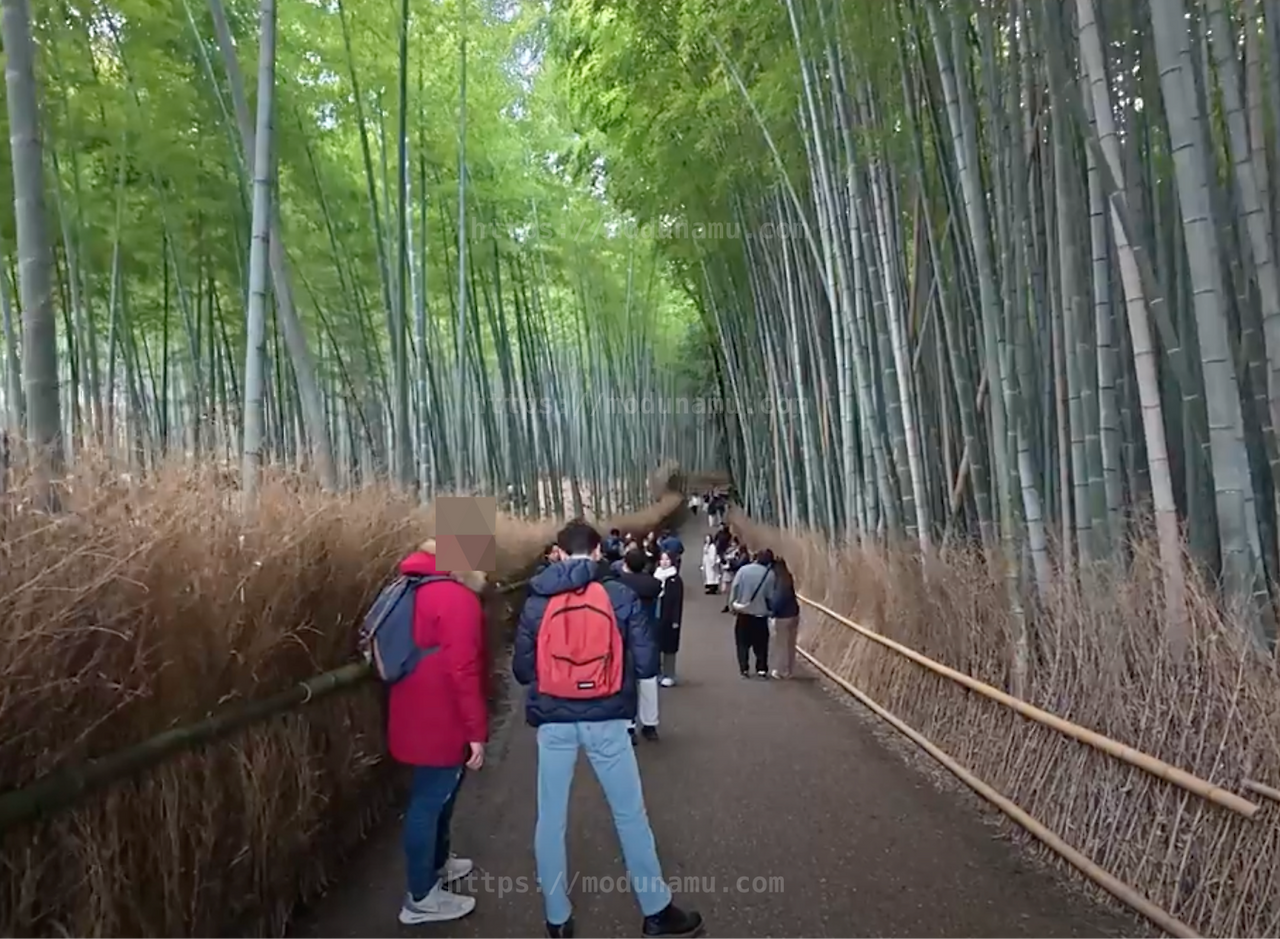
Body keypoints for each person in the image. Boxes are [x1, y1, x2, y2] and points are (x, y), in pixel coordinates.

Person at [512, 521, 705, 939]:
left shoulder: (536, 600)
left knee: (550, 819)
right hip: (609, 720)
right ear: (599, 551)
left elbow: (523, 670)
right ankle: (656, 912)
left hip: (554, 722)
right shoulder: (619, 595)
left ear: (559, 553)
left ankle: (557, 918)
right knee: (629, 815)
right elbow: (647, 663)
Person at [388, 539, 489, 924]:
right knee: (429, 802)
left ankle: (438, 864)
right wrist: (476, 731)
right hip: (441, 717)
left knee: (434, 796)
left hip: (410, 710)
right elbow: (463, 670)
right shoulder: (456, 598)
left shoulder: (410, 586)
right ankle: (420, 897)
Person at [620, 548, 663, 742]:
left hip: (626, 636)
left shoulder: (620, 585)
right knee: (648, 680)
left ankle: (628, 726)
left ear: (626, 564)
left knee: (626, 682)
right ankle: (650, 724)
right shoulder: (653, 584)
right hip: (649, 634)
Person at [729, 549, 776, 678]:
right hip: (760, 614)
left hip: (744, 613)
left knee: (742, 643)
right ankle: (761, 668)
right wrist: (771, 611)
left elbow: (735, 588)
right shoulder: (770, 575)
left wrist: (732, 605)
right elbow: (771, 596)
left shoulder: (743, 570)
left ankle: (744, 668)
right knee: (761, 643)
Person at [767, 557, 801, 679]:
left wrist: (772, 609)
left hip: (783, 616)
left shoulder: (780, 580)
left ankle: (781, 670)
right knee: (790, 644)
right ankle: (789, 670)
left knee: (781, 644)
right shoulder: (788, 578)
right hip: (794, 614)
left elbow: (778, 599)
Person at [655, 552, 684, 686]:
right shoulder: (655, 576)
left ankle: (669, 674)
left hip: (669, 617)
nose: (664, 562)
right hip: (656, 615)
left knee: (669, 647)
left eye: (667, 559)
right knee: (656, 646)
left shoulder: (675, 580)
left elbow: (677, 601)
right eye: (662, 559)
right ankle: (658, 673)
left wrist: (675, 620)